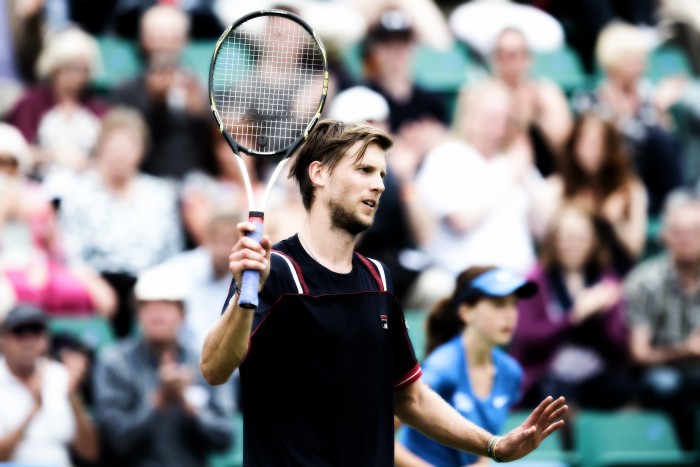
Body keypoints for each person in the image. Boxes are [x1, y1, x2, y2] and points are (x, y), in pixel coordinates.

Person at [200, 119, 567, 465]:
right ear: (319, 173)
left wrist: (493, 445)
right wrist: (243, 300)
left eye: (382, 174)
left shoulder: (379, 279)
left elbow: (412, 398)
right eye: (364, 170)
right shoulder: (275, 271)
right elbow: (214, 369)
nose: (379, 184)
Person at [59, 107, 184, 338]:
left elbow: (172, 254)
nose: (120, 154)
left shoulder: (160, 194)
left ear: (142, 151)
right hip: (100, 280)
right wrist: (94, 284)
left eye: (128, 146)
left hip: (149, 282)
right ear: (100, 149)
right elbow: (71, 256)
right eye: (114, 146)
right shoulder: (79, 194)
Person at [93, 266, 234, 466]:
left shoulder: (205, 361)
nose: (156, 313)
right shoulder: (114, 363)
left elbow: (225, 438)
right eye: (147, 306)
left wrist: (188, 406)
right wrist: (159, 400)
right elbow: (115, 441)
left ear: (182, 313)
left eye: (166, 305)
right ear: (137, 314)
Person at [397, 266, 536, 466]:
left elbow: (487, 437)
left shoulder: (511, 372)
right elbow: (381, 437)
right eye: (498, 304)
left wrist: (483, 461)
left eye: (513, 304)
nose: (510, 315)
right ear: (466, 312)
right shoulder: (441, 367)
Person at [510, 203, 632, 412]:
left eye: (580, 238)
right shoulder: (535, 279)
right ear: (554, 241)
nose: (572, 244)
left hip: (595, 374)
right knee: (560, 404)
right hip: (546, 374)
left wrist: (603, 314)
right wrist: (574, 317)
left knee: (629, 395)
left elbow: (619, 347)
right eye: (566, 237)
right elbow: (528, 338)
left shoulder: (607, 281)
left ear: (593, 241)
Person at [572, 21, 685, 216]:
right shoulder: (590, 100)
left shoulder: (649, 95)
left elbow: (668, 148)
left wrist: (660, 110)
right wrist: (621, 117)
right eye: (633, 60)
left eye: (641, 59)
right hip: (615, 179)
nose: (640, 66)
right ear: (613, 61)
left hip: (653, 180)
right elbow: (597, 149)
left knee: (661, 139)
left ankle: (681, 204)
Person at [622, 188, 700, 450]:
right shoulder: (645, 281)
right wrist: (686, 350)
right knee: (663, 384)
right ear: (665, 236)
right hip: (662, 374)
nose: (687, 238)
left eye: (694, 231)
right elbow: (639, 355)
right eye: (679, 231)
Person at [110, 4, 209, 181]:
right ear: (143, 41)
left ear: (184, 40)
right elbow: (122, 140)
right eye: (156, 37)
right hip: (142, 178)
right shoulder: (126, 90)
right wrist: (154, 102)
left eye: (170, 37)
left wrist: (202, 113)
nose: (163, 45)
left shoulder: (197, 86)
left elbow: (215, 144)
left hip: (193, 179)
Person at [547, 113, 648, 276]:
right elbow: (550, 241)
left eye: (599, 144)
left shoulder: (630, 188)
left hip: (617, 271)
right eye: (585, 143)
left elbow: (635, 248)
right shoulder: (559, 186)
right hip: (574, 275)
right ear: (574, 145)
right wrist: (577, 210)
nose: (592, 150)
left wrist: (615, 221)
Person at [0, 305, 99, 466]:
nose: (28, 342)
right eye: (19, 333)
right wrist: (34, 409)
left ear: (46, 339)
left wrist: (72, 396)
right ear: (3, 339)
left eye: (36, 333)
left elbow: (90, 452)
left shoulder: (60, 375)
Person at [5, 25, 107, 182]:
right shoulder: (32, 102)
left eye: (82, 69)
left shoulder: (97, 108)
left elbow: (109, 154)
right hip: (39, 183)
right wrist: (53, 155)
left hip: (88, 184)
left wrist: (88, 164)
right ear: (54, 68)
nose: (75, 76)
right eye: (69, 68)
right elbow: (15, 152)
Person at [489, 27, 573, 177]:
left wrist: (539, 115)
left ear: (530, 58)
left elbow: (566, 148)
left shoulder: (547, 93)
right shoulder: (483, 96)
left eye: (522, 54)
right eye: (508, 55)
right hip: (497, 173)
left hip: (546, 174)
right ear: (495, 59)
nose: (515, 61)